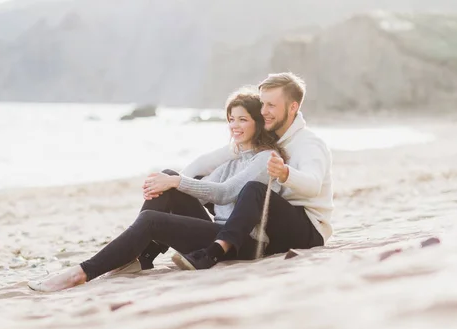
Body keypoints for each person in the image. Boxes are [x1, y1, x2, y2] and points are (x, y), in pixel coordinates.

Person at [28, 88, 288, 292]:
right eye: (231, 119)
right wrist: (169, 183)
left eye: (243, 119)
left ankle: (81, 273)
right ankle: (138, 257)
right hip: (216, 230)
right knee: (170, 176)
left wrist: (175, 183)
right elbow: (204, 189)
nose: (235, 126)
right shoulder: (234, 157)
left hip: (239, 243)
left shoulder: (266, 158)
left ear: (258, 122)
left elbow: (225, 193)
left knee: (156, 213)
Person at [156, 72, 334, 271]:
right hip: (266, 219)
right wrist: (174, 183)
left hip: (307, 228)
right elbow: (207, 161)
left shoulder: (309, 144)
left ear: (293, 107)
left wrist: (285, 173)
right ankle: (161, 243)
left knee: (253, 189)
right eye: (262, 104)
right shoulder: (268, 135)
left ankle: (215, 251)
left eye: (271, 105)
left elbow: (313, 185)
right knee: (194, 180)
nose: (263, 111)